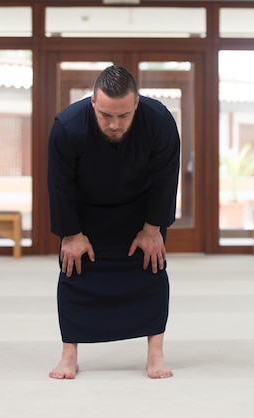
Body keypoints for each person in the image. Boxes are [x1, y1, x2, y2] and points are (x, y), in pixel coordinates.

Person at [46, 65, 180, 379]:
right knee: (74, 272)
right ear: (93, 102)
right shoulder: (67, 126)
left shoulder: (159, 122)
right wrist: (72, 233)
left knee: (152, 268)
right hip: (85, 211)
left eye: (123, 116)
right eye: (106, 115)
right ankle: (69, 356)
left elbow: (166, 179)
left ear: (136, 103)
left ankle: (156, 354)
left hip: (141, 210)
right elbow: (59, 184)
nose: (114, 124)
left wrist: (152, 228)